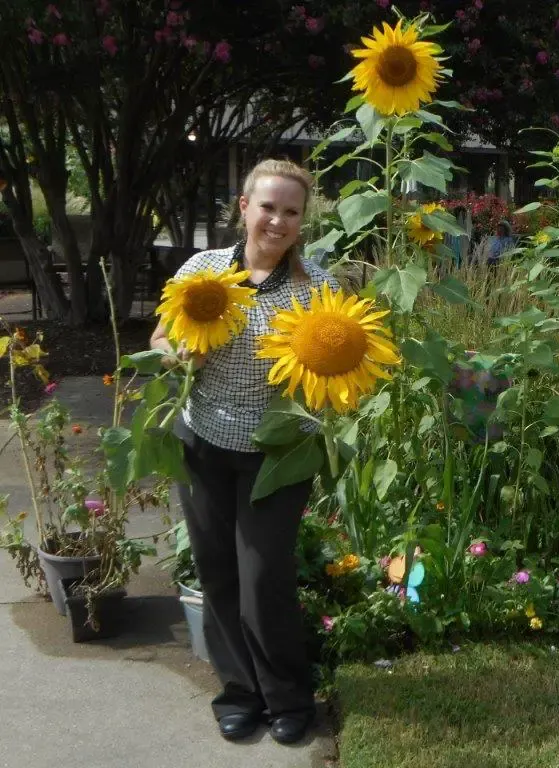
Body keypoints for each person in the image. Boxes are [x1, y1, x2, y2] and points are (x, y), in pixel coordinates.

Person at [150, 159, 337, 745]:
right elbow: (160, 333)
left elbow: (330, 372)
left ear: (302, 222)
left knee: (263, 578)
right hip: (201, 443)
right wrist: (174, 356)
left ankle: (288, 696)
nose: (277, 221)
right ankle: (240, 692)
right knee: (217, 572)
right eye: (268, 207)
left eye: (291, 211)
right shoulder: (203, 270)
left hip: (276, 454)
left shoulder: (316, 289)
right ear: (243, 208)